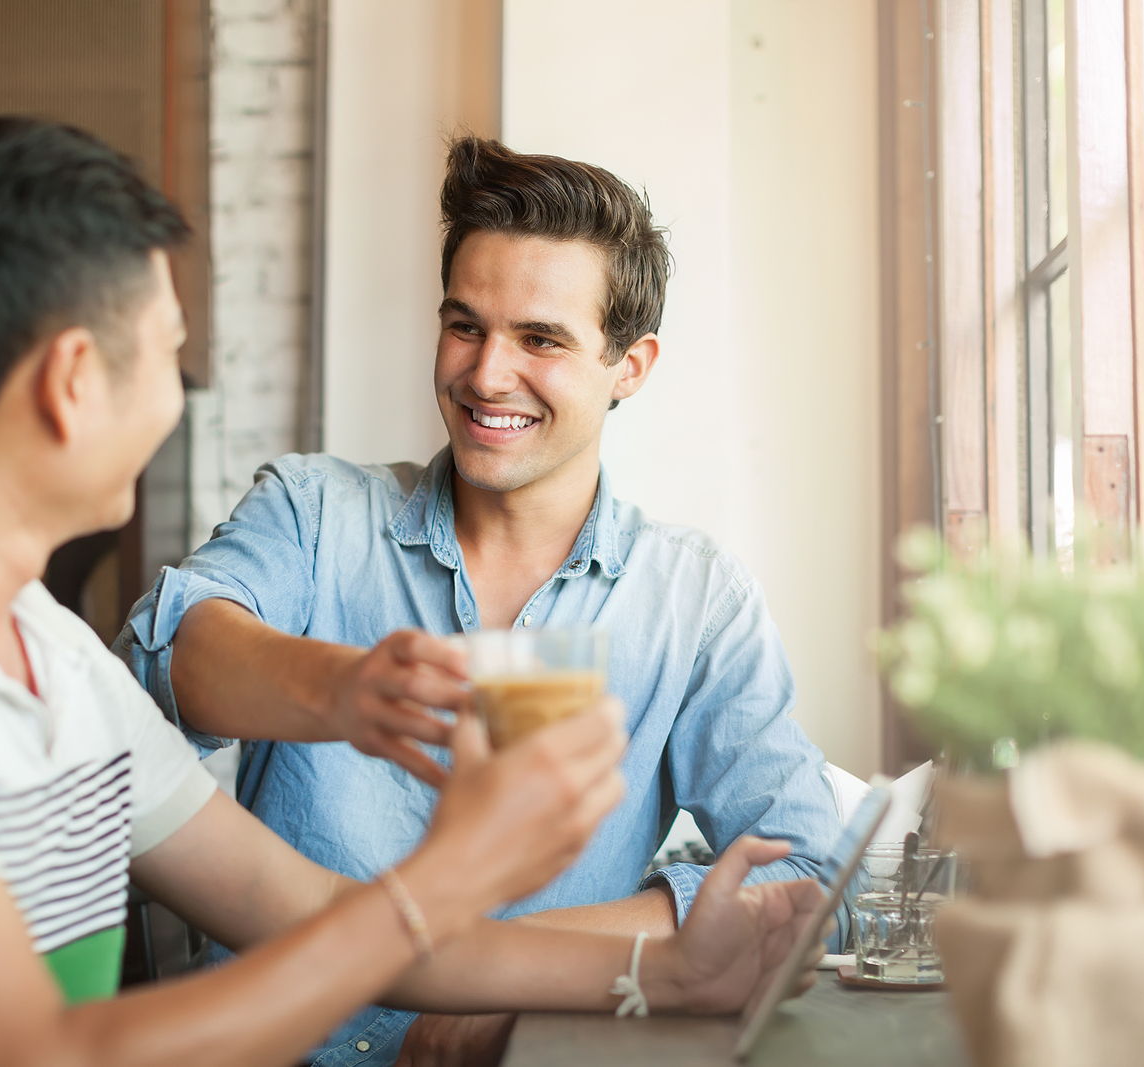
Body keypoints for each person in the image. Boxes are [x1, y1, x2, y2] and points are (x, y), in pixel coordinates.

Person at [0, 117, 827, 1067]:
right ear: (75, 380)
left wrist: (666, 963)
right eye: (170, 353)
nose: (176, 400)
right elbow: (26, 1055)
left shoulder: (46, 650)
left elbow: (314, 915)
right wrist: (446, 870)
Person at [114, 135, 843, 1065]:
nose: (486, 374)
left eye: (540, 338)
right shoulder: (315, 512)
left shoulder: (696, 602)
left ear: (632, 365)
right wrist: (349, 685)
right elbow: (164, 657)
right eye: (465, 325)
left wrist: (504, 991)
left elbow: (812, 874)